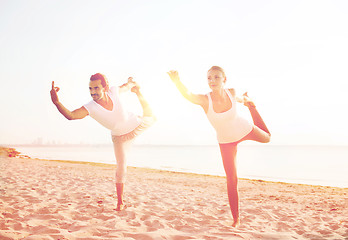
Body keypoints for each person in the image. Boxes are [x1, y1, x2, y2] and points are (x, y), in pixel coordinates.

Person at [167, 66, 271, 227]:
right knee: (232, 179)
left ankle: (253, 107)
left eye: (216, 77)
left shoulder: (232, 92)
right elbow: (188, 95)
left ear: (224, 79)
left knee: (267, 138)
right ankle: (236, 219)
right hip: (226, 142)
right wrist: (177, 81)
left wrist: (247, 101)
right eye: (209, 78)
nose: (212, 81)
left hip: (244, 129)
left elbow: (239, 100)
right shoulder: (204, 99)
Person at [50, 73, 155, 211]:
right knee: (121, 168)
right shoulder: (90, 107)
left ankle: (138, 93)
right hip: (120, 138)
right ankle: (120, 203)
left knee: (152, 116)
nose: (93, 92)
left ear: (105, 87)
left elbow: (126, 86)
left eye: (96, 88)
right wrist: (57, 102)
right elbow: (71, 116)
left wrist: (132, 84)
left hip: (135, 124)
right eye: (90, 89)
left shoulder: (114, 91)